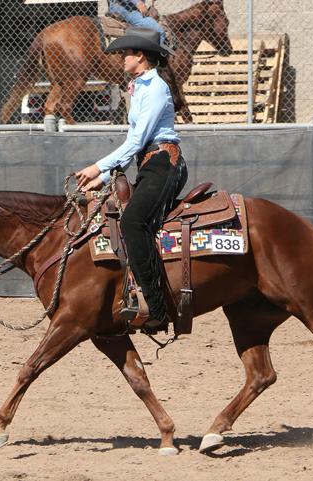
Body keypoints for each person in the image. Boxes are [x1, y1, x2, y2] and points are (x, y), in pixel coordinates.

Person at [75, 27, 187, 330]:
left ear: (140, 56)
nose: (121, 57)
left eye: (126, 53)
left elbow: (137, 140)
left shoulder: (155, 88)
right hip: (151, 163)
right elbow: (135, 142)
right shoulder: (140, 86)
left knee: (132, 222)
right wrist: (109, 174)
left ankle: (155, 306)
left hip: (165, 163)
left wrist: (99, 167)